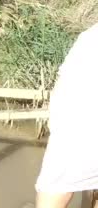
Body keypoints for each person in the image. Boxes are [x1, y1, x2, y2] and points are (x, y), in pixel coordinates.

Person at [35, 23, 98, 208]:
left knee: (55, 186)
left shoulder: (89, 37)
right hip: (80, 125)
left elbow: (64, 87)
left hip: (77, 129)